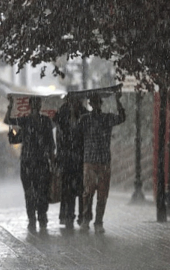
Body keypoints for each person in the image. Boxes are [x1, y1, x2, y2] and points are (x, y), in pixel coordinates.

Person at [4, 96, 55, 232]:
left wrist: (52, 160)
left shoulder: (45, 121)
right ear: (31, 105)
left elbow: (50, 143)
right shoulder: (25, 121)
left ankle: (42, 218)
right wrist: (10, 105)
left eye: (37, 104)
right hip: (28, 163)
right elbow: (8, 121)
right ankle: (32, 219)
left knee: (42, 192)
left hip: (42, 162)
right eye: (34, 104)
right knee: (30, 193)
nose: (36, 106)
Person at [78, 91, 126, 234]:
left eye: (97, 102)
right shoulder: (85, 119)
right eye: (93, 102)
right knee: (88, 192)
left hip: (104, 161)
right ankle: (86, 219)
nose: (95, 105)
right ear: (90, 104)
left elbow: (122, 117)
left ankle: (98, 222)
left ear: (100, 103)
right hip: (90, 161)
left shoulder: (107, 118)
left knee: (102, 194)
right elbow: (75, 129)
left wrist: (118, 101)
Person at [53, 95, 88, 229]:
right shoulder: (63, 112)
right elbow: (59, 129)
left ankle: (81, 216)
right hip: (67, 158)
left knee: (80, 189)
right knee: (68, 189)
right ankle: (68, 216)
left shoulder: (84, 113)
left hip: (80, 157)